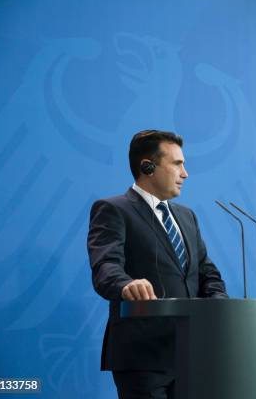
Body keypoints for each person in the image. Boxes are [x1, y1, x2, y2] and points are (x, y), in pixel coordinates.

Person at [87, 130, 228, 399]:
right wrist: (126, 284)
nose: (185, 173)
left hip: (192, 354)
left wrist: (218, 309)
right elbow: (105, 266)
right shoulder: (113, 209)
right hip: (143, 356)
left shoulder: (187, 217)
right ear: (147, 167)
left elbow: (207, 274)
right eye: (177, 164)